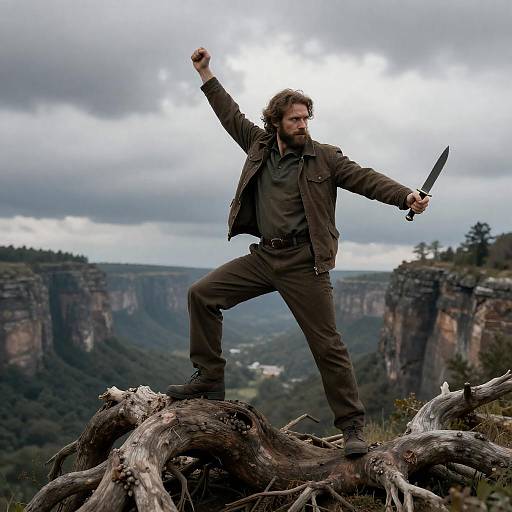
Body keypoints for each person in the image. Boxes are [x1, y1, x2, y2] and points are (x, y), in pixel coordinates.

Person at [167, 47, 429, 457]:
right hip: (263, 257)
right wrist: (205, 73)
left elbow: (366, 178)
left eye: (306, 118)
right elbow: (228, 113)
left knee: (328, 346)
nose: (303, 124)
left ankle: (353, 429)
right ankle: (209, 378)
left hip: (304, 264)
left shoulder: (324, 157)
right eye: (295, 118)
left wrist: (406, 196)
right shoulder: (259, 146)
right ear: (276, 122)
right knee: (201, 294)